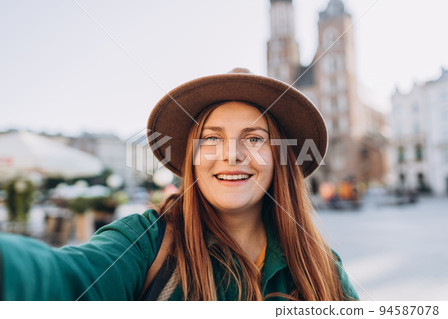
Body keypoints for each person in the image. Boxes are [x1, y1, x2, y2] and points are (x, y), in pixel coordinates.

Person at [0, 68, 359, 301]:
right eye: (211, 139)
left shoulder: (320, 265)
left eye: (254, 139)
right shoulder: (145, 244)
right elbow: (63, 279)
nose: (231, 155)